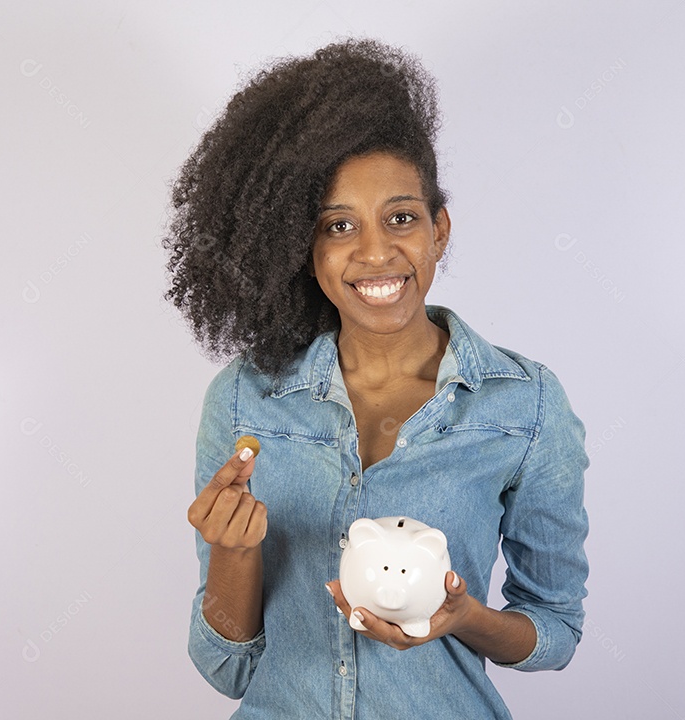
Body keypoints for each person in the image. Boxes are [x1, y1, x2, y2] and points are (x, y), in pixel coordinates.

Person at [163, 38, 590, 719]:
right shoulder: (247, 400)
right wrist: (234, 553)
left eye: (400, 217)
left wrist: (462, 617)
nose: (375, 252)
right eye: (339, 225)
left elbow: (555, 631)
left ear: (438, 230)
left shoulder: (524, 405)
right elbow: (229, 668)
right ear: (303, 250)